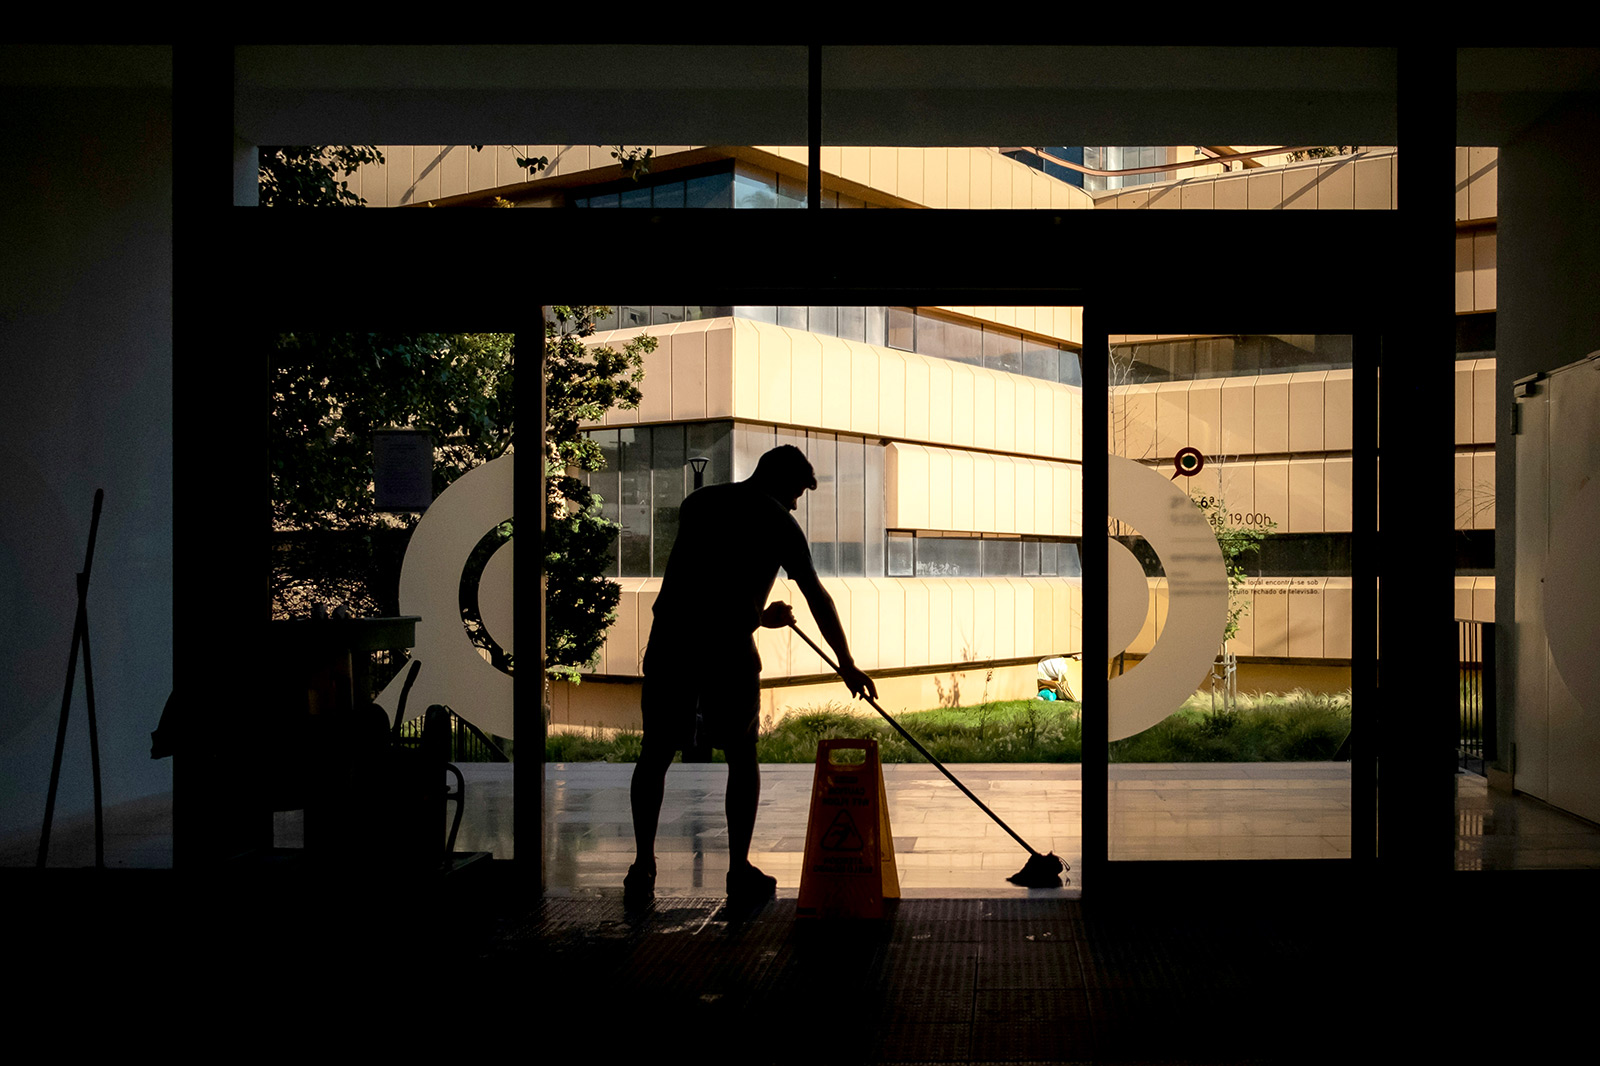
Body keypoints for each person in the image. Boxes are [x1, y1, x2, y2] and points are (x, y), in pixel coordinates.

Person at [626, 444, 877, 904]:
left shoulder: (698, 505)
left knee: (655, 752)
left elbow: (702, 584)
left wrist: (759, 616)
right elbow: (817, 596)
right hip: (727, 655)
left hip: (671, 646)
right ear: (782, 482)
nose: (798, 503)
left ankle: (643, 864)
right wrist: (846, 663)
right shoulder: (778, 522)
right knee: (741, 755)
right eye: (798, 492)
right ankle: (738, 869)